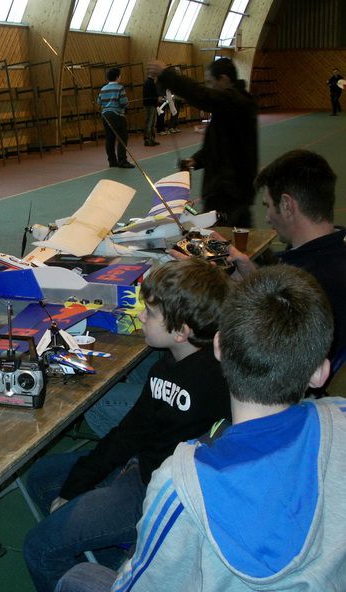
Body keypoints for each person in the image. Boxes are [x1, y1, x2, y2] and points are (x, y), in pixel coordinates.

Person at [57, 265, 346, 592]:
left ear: (219, 346)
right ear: (320, 374)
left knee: (74, 578)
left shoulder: (180, 481)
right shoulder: (340, 416)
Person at [23, 258, 232, 592]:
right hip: (139, 467)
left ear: (181, 331)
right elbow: (130, 433)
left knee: (39, 547)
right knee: (42, 476)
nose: (141, 317)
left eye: (150, 313)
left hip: (157, 492)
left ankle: (116, 569)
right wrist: (76, 485)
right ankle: (110, 566)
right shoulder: (167, 367)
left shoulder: (220, 381)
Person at [227, 149, 346, 370]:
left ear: (287, 205)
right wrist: (254, 278)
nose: (266, 218)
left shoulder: (306, 285)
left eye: (268, 206)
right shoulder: (330, 259)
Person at [149, 58, 258, 227]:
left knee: (223, 239)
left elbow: (200, 94)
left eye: (210, 82)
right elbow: (222, 144)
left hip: (229, 191)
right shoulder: (231, 104)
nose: (209, 87)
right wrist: (196, 160)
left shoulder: (236, 101)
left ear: (224, 79)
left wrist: (167, 74)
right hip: (229, 187)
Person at [98, 67, 134, 169]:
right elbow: (123, 102)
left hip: (105, 115)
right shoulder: (120, 88)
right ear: (118, 77)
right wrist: (127, 104)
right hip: (117, 115)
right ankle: (122, 161)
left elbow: (99, 102)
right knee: (122, 137)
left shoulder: (103, 89)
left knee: (110, 139)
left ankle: (112, 161)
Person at [142, 69, 160, 147]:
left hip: (152, 105)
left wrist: (157, 98)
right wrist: (157, 98)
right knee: (149, 123)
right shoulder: (149, 83)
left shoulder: (151, 82)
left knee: (152, 123)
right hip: (149, 105)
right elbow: (150, 95)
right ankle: (147, 140)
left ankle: (152, 139)